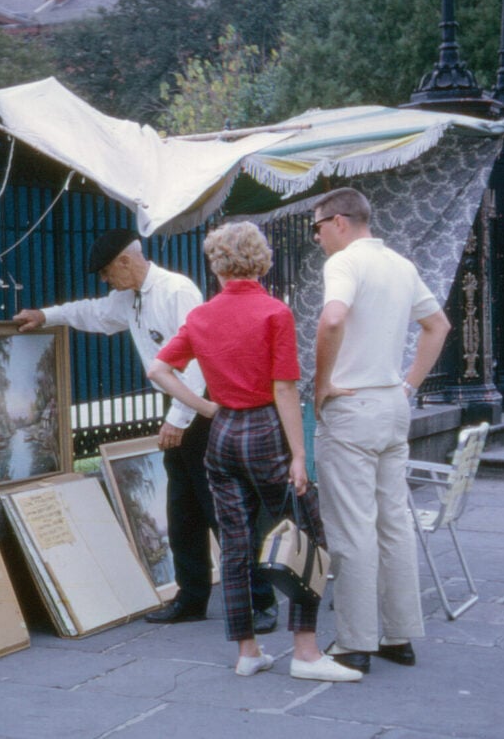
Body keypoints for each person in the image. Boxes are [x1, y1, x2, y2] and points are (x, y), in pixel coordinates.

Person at [13, 227, 278, 632]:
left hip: (198, 409)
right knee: (183, 512)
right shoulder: (128, 298)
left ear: (125, 261)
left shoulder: (176, 291)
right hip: (176, 405)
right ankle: (191, 597)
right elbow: (94, 312)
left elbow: (199, 362)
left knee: (224, 512)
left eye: (106, 272)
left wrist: (178, 419)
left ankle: (260, 600)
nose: (106, 281)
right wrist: (46, 315)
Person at [149, 221, 361, 682]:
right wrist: (299, 454)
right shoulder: (273, 312)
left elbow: (158, 367)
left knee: (236, 542)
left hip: (222, 433)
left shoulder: (202, 315)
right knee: (305, 530)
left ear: (217, 263)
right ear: (261, 260)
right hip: (266, 428)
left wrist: (207, 407)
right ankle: (305, 651)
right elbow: (285, 388)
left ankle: (247, 650)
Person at [310, 187, 451, 674]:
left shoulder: (344, 263)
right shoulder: (400, 264)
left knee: (352, 527)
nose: (317, 238)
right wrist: (408, 384)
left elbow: (332, 319)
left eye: (317, 227)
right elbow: (439, 326)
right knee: (394, 523)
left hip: (352, 406)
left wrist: (321, 383)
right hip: (393, 405)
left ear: (340, 222)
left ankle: (353, 643)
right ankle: (399, 635)